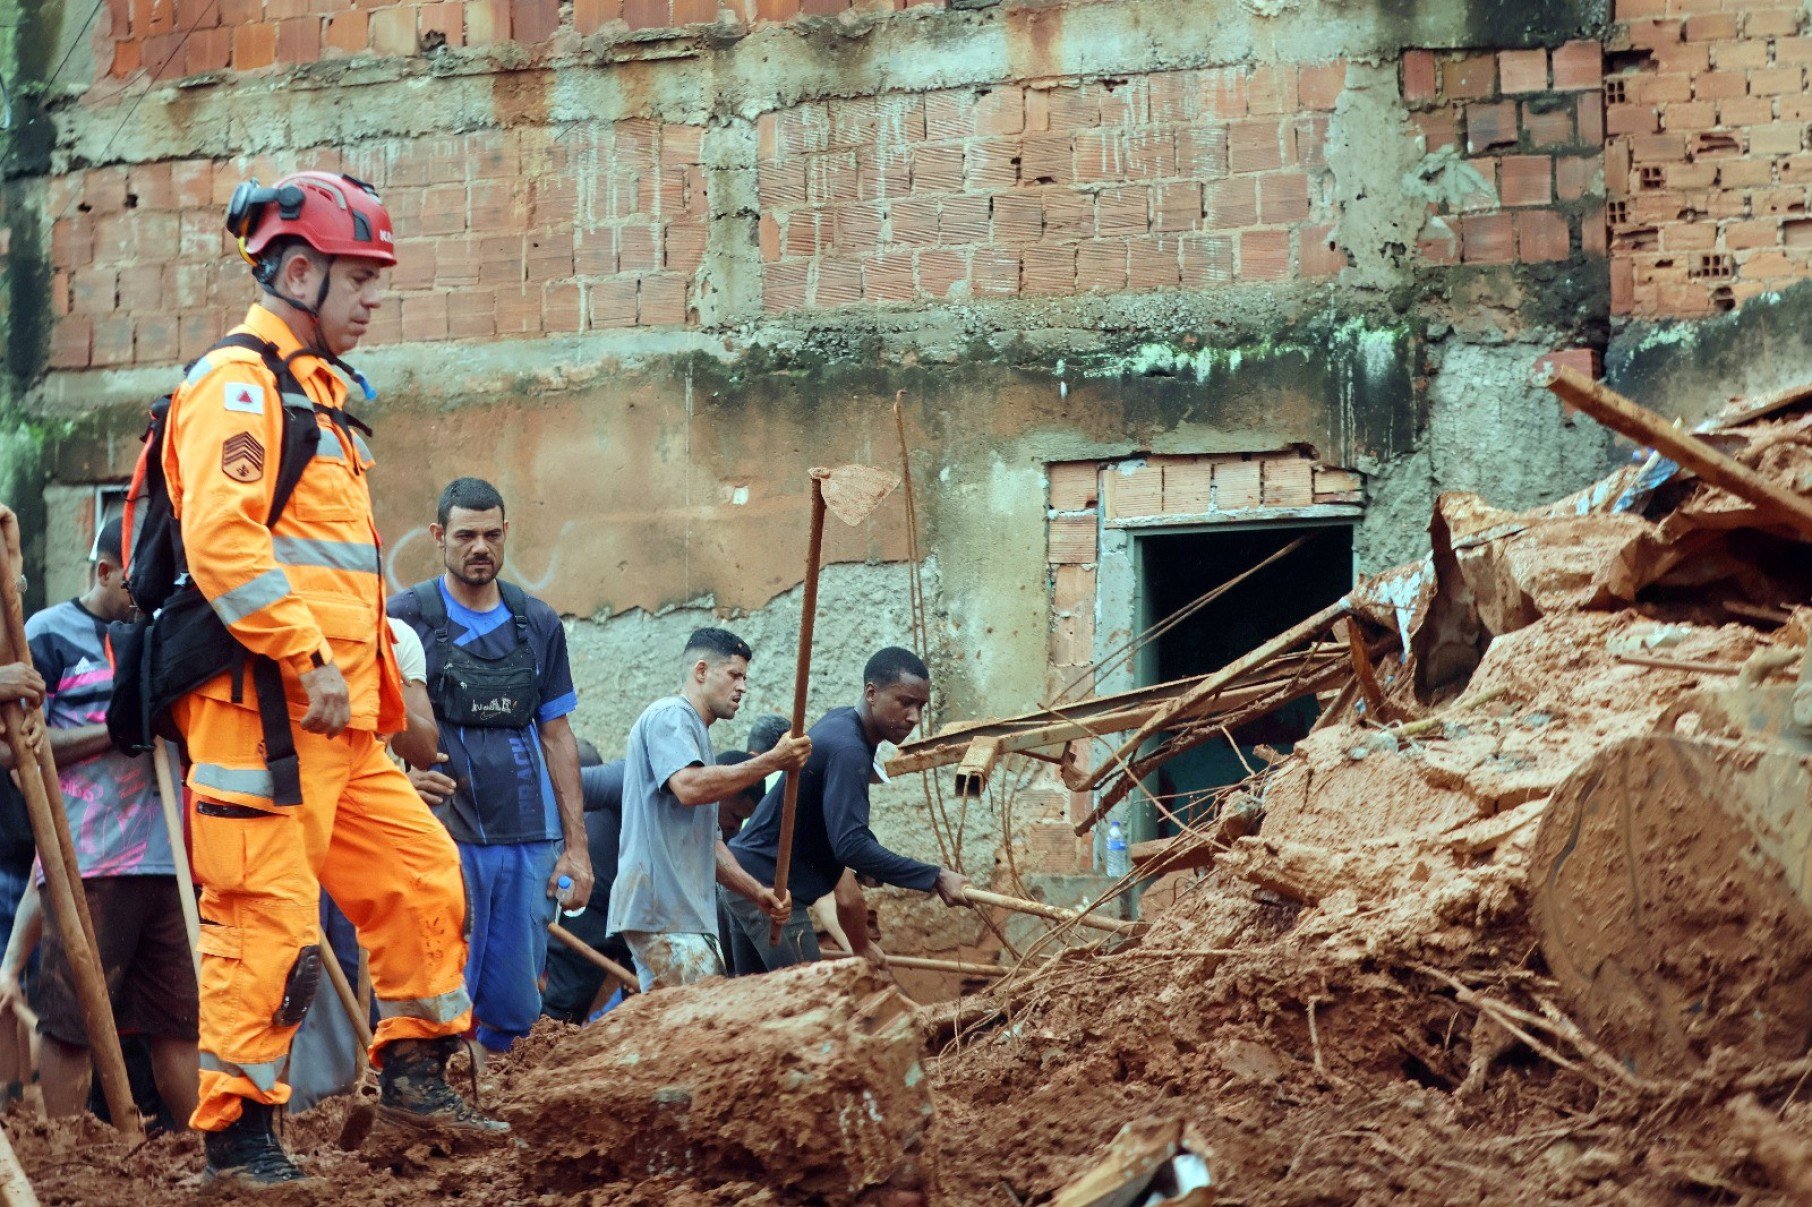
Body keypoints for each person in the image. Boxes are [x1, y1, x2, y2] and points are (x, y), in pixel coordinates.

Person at [160, 170, 498, 1188]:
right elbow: (223, 542)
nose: (372, 300)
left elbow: (330, 570)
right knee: (265, 919)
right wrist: (308, 657)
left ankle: (414, 1084)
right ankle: (240, 1140)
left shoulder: (325, 398)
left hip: (342, 725)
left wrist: (372, 685)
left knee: (423, 880)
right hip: (264, 713)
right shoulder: (238, 385)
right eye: (358, 279)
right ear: (298, 270)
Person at [388, 477, 589, 1055]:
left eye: (492, 535)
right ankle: (431, 1094)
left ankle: (501, 1115)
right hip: (442, 831)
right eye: (466, 535)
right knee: (439, 981)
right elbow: (369, 717)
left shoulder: (538, 623)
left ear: (506, 535)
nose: (481, 547)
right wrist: (403, 778)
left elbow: (557, 734)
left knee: (516, 1004)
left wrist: (576, 848)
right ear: (438, 537)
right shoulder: (407, 618)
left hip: (527, 836)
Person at [21, 518, 198, 1123]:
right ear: (105, 572)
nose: (154, 589)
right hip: (86, 859)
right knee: (74, 1023)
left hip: (172, 860)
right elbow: (13, 746)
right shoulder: (47, 635)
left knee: (182, 1021)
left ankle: (198, 1158)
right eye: (141, 579)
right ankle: (70, 1158)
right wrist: (115, 731)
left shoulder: (170, 631)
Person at [723, 647, 971, 974]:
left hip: (741, 880)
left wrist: (862, 945)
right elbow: (852, 846)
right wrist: (936, 877)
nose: (914, 718)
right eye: (905, 702)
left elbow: (842, 853)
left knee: (756, 1006)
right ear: (871, 693)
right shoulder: (849, 749)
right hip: (770, 892)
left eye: (921, 706)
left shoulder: (840, 722)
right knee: (811, 1006)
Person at [607, 628, 811, 990]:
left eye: (745, 677)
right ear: (701, 671)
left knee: (687, 1030)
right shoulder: (671, 716)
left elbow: (710, 847)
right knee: (703, 1023)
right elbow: (688, 786)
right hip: (663, 912)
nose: (742, 687)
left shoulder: (695, 735)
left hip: (677, 916)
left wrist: (757, 893)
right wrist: (773, 761)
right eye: (734, 674)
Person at [540, 745, 633, 1023]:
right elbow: (560, 790)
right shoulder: (627, 776)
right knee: (561, 1014)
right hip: (589, 908)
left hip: (645, 915)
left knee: (645, 1015)